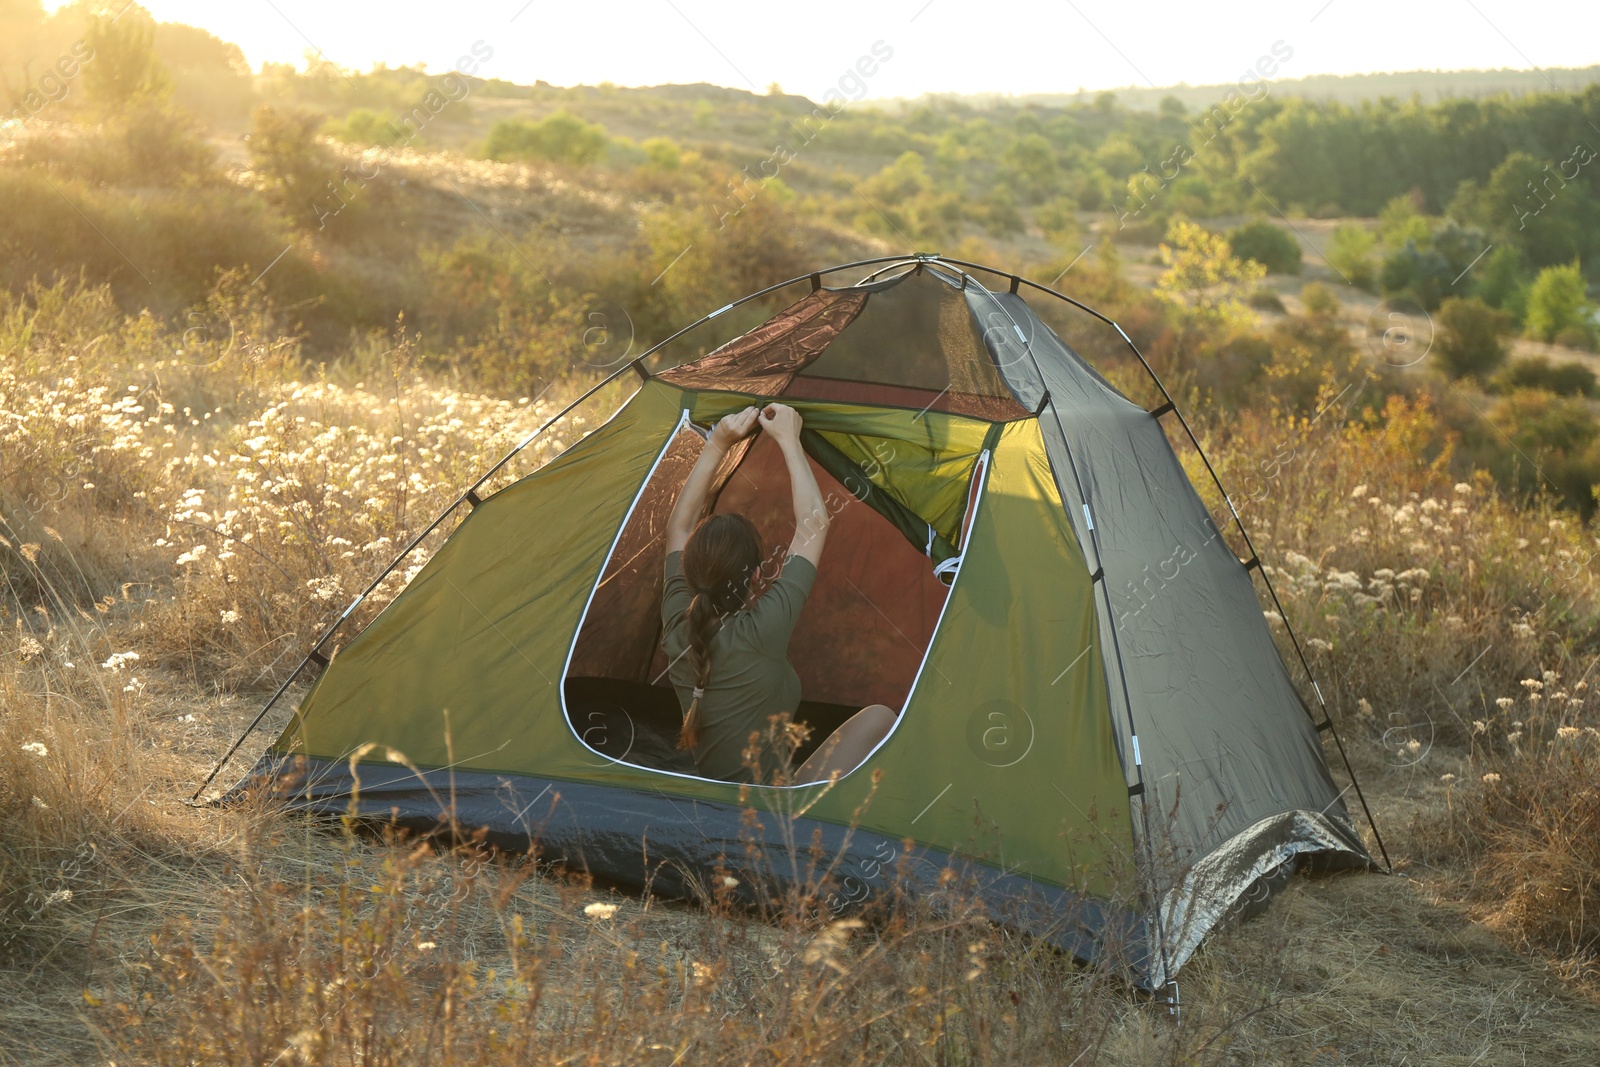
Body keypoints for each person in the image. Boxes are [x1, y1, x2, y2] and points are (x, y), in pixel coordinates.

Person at [661, 403, 896, 785]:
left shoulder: (676, 624)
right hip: (772, 814)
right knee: (881, 718)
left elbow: (678, 528)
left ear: (687, 569)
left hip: (718, 804)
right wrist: (789, 441)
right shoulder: (761, 630)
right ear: (755, 576)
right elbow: (814, 523)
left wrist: (717, 443)